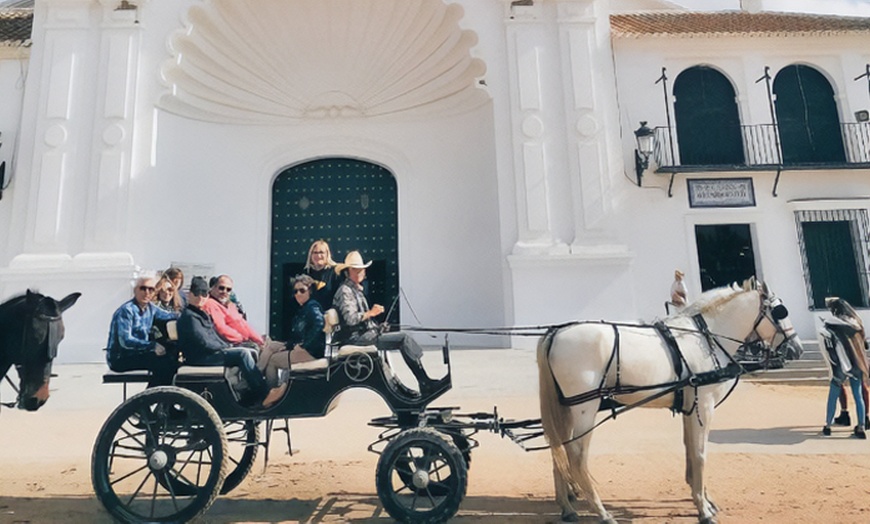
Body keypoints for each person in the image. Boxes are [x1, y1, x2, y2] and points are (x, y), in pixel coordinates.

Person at [332, 250, 433, 396]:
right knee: (403, 339)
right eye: (355, 269)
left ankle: (411, 384)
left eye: (361, 269)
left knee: (402, 338)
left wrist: (377, 327)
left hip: (363, 335)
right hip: (355, 339)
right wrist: (371, 313)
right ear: (347, 272)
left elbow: (363, 322)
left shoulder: (356, 290)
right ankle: (424, 382)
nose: (360, 272)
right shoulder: (345, 291)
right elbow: (351, 319)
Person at [177, 277, 286, 408]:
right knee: (242, 354)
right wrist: (227, 346)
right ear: (190, 294)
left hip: (210, 353)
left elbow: (213, 336)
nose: (200, 297)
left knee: (249, 352)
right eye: (196, 293)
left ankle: (249, 393)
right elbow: (203, 341)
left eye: (204, 293)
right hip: (200, 357)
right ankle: (264, 394)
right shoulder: (189, 316)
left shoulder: (201, 314)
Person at [106, 275, 180, 387]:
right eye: (143, 288)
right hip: (121, 358)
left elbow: (170, 316)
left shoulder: (150, 308)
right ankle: (149, 399)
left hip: (139, 354)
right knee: (166, 363)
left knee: (172, 354)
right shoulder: (126, 311)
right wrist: (152, 346)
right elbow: (125, 341)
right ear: (135, 290)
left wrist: (192, 315)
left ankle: (162, 399)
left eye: (151, 289)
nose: (147, 292)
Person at [261, 274, 326, 387]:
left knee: (273, 361)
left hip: (311, 352)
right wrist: (287, 346)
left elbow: (319, 324)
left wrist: (304, 346)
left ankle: (270, 393)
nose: (298, 294)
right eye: (295, 291)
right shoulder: (303, 308)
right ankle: (256, 372)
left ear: (310, 291)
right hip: (301, 347)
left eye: (302, 290)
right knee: (271, 346)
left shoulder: (312, 307)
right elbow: (298, 335)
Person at [820, 297, 868, 439]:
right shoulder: (857, 324)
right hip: (857, 364)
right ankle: (861, 427)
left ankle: (828, 425)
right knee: (858, 396)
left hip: (841, 365)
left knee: (833, 395)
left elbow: (826, 340)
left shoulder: (833, 324)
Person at [201, 274, 264, 347]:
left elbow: (244, 324)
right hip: (235, 344)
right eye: (221, 288)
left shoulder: (230, 305)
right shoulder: (211, 304)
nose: (225, 291)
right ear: (213, 288)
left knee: (277, 347)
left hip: (250, 342)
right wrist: (242, 338)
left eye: (228, 290)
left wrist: (259, 340)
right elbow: (221, 328)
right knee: (277, 355)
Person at [304, 239, 341, 310]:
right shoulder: (306, 273)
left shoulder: (335, 273)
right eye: (315, 252)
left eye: (321, 252)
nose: (318, 255)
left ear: (327, 254)